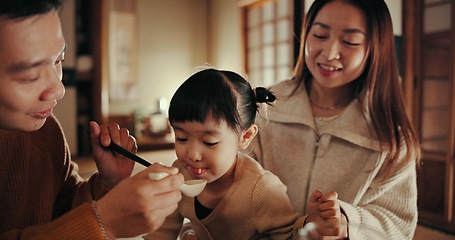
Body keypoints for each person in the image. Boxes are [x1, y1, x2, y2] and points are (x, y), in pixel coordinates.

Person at [0, 0, 184, 239]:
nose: (59, 89)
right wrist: (102, 223)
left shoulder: (43, 132)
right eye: (30, 75)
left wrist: (108, 184)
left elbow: (60, 207)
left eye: (59, 61)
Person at [249, 0, 421, 239]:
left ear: (374, 47)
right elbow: (229, 185)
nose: (329, 53)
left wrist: (348, 223)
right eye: (320, 35)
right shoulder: (264, 108)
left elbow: (397, 224)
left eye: (349, 41)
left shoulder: (390, 137)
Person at [144, 68, 317, 240]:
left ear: (245, 137)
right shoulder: (179, 175)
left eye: (209, 142)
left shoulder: (261, 189)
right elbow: (161, 231)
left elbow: (291, 236)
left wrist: (315, 223)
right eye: (181, 138)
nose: (193, 155)